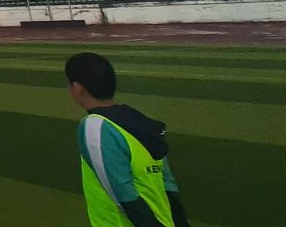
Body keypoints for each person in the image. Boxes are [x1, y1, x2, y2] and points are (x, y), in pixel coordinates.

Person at [65, 52, 192, 227]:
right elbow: (168, 183)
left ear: (78, 88)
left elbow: (122, 194)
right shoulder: (141, 121)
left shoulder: (95, 126)